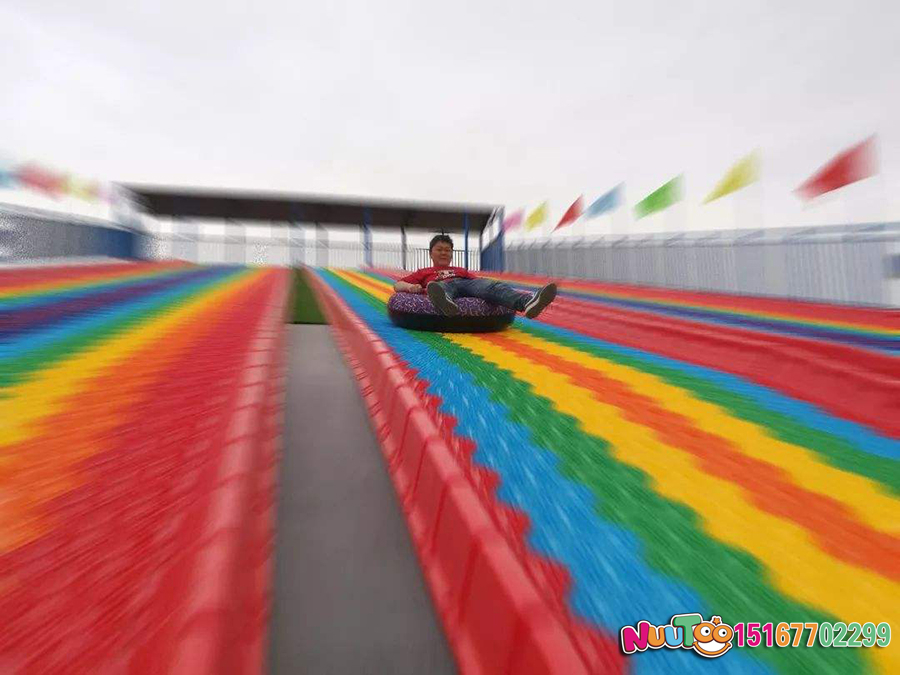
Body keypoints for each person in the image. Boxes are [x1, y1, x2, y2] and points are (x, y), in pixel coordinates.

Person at [393, 234, 557, 318]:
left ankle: (528, 302)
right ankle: (445, 302)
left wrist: (487, 286)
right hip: (441, 285)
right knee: (440, 287)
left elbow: (476, 282)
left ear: (451, 254)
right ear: (431, 253)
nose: (444, 252)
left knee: (491, 286)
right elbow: (397, 285)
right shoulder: (424, 272)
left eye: (447, 250)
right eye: (439, 249)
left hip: (465, 283)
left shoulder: (460, 269)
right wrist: (410, 287)